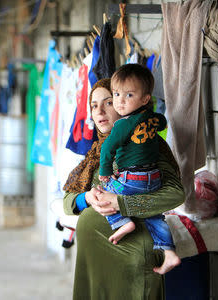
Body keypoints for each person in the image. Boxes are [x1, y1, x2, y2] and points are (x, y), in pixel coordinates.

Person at [63, 78, 185, 299]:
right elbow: (68, 201)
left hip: (134, 252)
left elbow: (175, 194)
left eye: (108, 102)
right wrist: (87, 198)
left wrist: (122, 203)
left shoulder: (147, 144)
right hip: (94, 257)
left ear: (125, 105)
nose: (99, 110)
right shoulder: (97, 152)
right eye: (94, 105)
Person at [97, 64, 180, 273]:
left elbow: (107, 147)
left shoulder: (124, 124)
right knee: (154, 216)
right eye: (116, 94)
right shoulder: (150, 117)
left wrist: (105, 171)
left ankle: (122, 222)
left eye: (129, 95)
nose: (120, 101)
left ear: (145, 99)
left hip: (133, 178)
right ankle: (169, 253)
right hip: (153, 178)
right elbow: (161, 122)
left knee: (103, 194)